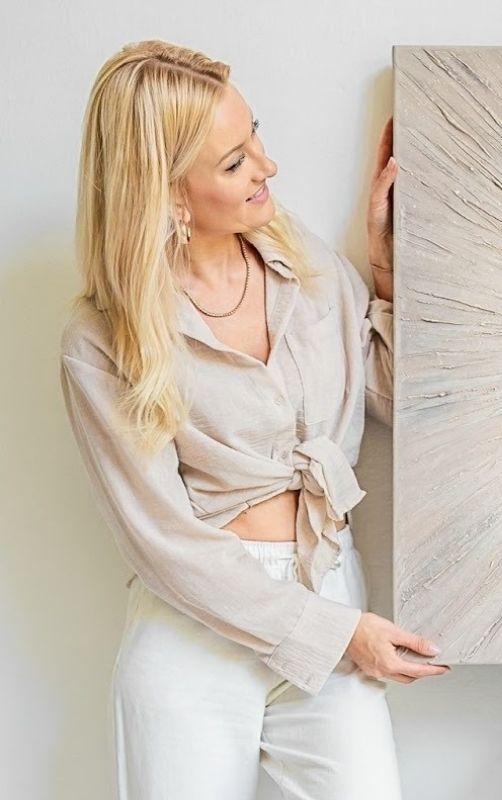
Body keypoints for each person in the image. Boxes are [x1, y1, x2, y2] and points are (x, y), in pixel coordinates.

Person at [58, 39, 447, 798]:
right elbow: (164, 541)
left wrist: (386, 265)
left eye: (255, 133)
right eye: (235, 162)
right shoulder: (102, 340)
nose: (268, 165)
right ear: (169, 195)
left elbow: (402, 402)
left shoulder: (306, 265)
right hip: (191, 638)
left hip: (328, 590)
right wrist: (339, 633)